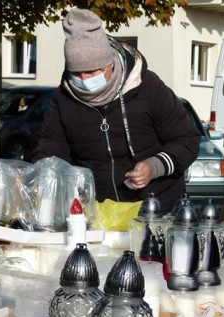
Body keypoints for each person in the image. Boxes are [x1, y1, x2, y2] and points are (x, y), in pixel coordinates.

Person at [32, 8, 200, 213]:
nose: (84, 80)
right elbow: (51, 151)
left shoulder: (147, 86)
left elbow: (187, 140)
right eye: (77, 73)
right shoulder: (63, 98)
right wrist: (43, 177)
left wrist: (154, 166)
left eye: (92, 71)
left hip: (157, 208)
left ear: (110, 62)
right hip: (97, 212)